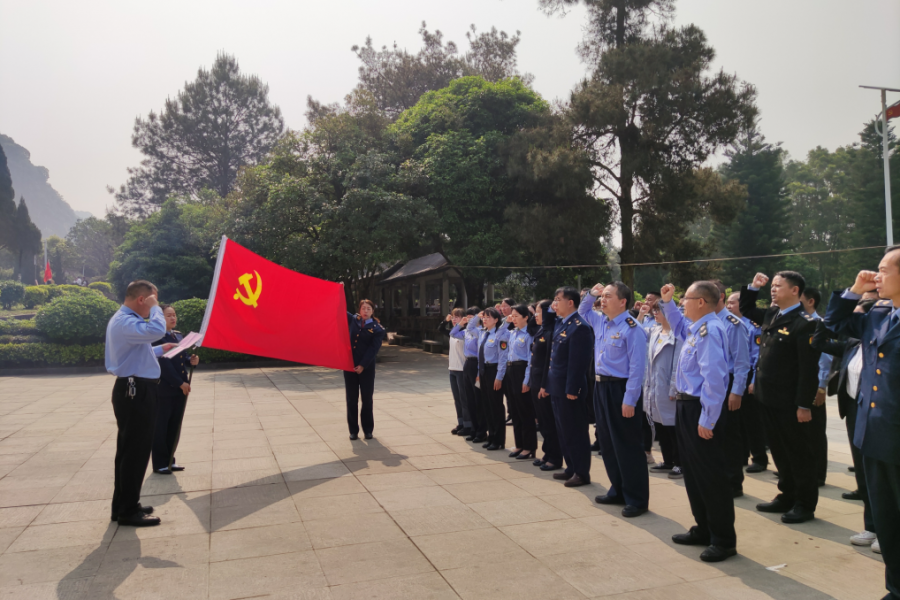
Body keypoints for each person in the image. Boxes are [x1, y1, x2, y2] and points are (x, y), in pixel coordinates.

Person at [825, 252, 900, 598]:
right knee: (886, 519)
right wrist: (854, 290)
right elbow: (835, 324)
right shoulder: (879, 314)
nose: (877, 276)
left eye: (884, 270)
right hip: (873, 434)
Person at [660, 281, 736, 562]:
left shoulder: (710, 330)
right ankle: (703, 528)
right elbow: (678, 326)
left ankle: (723, 540)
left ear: (701, 302)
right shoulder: (695, 328)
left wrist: (708, 418)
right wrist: (667, 302)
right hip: (686, 407)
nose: (682, 303)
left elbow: (715, 379)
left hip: (700, 410)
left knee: (710, 477)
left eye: (686, 299)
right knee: (693, 474)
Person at [740, 272, 820, 524]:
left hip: (790, 403)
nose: (773, 290)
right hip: (768, 398)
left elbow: (808, 370)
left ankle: (805, 504)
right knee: (779, 451)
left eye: (778, 286)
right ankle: (786, 495)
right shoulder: (773, 314)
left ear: (795, 290)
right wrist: (753, 286)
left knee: (798, 454)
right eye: (772, 286)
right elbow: (746, 307)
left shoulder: (805, 322)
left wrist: (804, 404)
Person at [105, 280, 175, 527]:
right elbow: (157, 329)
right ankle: (128, 510)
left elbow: (136, 352)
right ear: (142, 300)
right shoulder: (126, 321)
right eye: (152, 301)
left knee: (128, 451)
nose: (152, 310)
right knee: (135, 452)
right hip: (135, 391)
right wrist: (157, 307)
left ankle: (123, 504)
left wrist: (160, 350)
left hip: (134, 389)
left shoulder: (126, 321)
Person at [813, 296, 878, 549]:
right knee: (863, 473)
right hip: (853, 411)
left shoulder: (882, 346)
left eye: (857, 319)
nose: (850, 324)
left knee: (880, 476)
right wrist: (825, 322)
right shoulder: (852, 343)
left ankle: (887, 531)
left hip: (877, 414)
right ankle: (871, 527)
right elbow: (819, 342)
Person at [580, 282, 649, 516]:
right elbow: (583, 311)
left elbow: (638, 368)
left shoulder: (632, 328)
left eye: (608, 296)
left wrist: (630, 400)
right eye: (603, 296)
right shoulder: (600, 321)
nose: (603, 299)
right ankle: (617, 489)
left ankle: (636, 499)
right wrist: (591, 294)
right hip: (601, 387)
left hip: (621, 390)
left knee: (627, 446)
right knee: (608, 443)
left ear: (623, 302)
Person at [546, 287, 594, 487]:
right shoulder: (561, 323)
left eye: (558, 300)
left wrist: (572, 389)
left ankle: (581, 472)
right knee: (563, 430)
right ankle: (571, 467)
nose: (555, 304)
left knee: (576, 431)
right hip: (557, 386)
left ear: (571, 303)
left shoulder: (579, 327)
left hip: (569, 389)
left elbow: (578, 363)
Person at [711, 281, 751, 498]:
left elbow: (742, 362)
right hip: (709, 386)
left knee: (729, 437)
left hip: (728, 385)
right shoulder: (701, 322)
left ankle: (733, 482)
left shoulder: (732, 323)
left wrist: (737, 392)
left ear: (721, 297)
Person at [151, 305, 199, 475]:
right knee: (161, 426)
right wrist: (179, 383)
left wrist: (190, 360)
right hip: (164, 389)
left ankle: (170, 460)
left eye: (174, 315)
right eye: (168, 315)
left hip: (180, 389)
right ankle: (160, 463)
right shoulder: (157, 337)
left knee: (174, 425)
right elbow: (164, 364)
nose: (173, 318)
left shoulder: (177, 335)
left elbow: (181, 358)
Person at [726, 292, 768, 473]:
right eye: (727, 303)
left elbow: (756, 356)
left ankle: (759, 457)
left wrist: (752, 382)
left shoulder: (754, 325)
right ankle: (741, 456)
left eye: (733, 303)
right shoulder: (727, 324)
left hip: (749, 375)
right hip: (732, 377)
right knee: (736, 421)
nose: (729, 306)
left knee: (752, 421)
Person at [644, 302, 683, 479]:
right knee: (660, 425)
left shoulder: (678, 335)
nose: (656, 313)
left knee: (673, 427)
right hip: (654, 385)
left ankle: (680, 462)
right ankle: (668, 460)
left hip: (668, 387)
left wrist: (674, 386)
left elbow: (678, 364)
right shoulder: (655, 331)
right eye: (654, 310)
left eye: (659, 310)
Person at [800, 287, 832, 487]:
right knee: (803, 433)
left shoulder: (819, 324)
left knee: (816, 432)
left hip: (814, 387)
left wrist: (821, 386)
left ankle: (819, 474)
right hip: (802, 384)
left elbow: (825, 358)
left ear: (810, 302)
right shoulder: (800, 323)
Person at [345, 299, 386, 440]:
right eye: (363, 308)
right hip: (349, 366)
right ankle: (353, 430)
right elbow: (339, 311)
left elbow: (373, 350)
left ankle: (368, 429)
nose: (365, 311)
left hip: (366, 368)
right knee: (351, 399)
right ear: (359, 310)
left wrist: (362, 365)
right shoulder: (353, 319)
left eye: (368, 308)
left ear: (372, 311)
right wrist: (340, 291)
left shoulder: (378, 329)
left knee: (367, 399)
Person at [530, 300, 562, 471]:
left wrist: (545, 385)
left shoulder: (551, 332)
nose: (535, 315)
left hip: (544, 383)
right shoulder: (541, 329)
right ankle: (547, 453)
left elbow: (549, 362)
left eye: (538, 312)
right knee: (542, 422)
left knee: (549, 423)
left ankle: (555, 457)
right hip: (535, 381)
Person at [451, 307, 487, 443]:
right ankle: (473, 429)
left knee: (478, 400)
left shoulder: (480, 333)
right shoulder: (466, 332)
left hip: (476, 365)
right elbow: (453, 333)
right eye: (468, 317)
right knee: (469, 399)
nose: (469, 320)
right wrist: (461, 323)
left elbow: (481, 355)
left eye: (472, 317)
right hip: (467, 364)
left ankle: (481, 431)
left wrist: (479, 372)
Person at [506, 305, 537, 460]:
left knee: (525, 412)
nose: (513, 319)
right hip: (511, 371)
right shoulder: (512, 333)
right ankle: (519, 444)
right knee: (515, 411)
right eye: (512, 316)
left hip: (522, 371)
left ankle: (529, 447)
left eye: (516, 315)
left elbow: (530, 359)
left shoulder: (529, 335)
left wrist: (527, 380)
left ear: (526, 317)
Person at [477, 307, 510, 450]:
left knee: (496, 406)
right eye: (484, 317)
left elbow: (503, 358)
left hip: (494, 371)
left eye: (488, 317)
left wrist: (499, 377)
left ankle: (498, 439)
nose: (485, 319)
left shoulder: (500, 335)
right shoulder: (483, 334)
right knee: (487, 406)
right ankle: (491, 436)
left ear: (496, 320)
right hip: (484, 371)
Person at [441, 309, 472, 437]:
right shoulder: (453, 333)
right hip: (452, 369)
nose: (454, 319)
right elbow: (440, 329)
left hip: (462, 369)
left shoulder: (465, 333)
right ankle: (460, 422)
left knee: (464, 399)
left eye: (457, 317)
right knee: (457, 399)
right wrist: (445, 321)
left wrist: (461, 325)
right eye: (453, 317)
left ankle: (468, 424)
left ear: (464, 319)